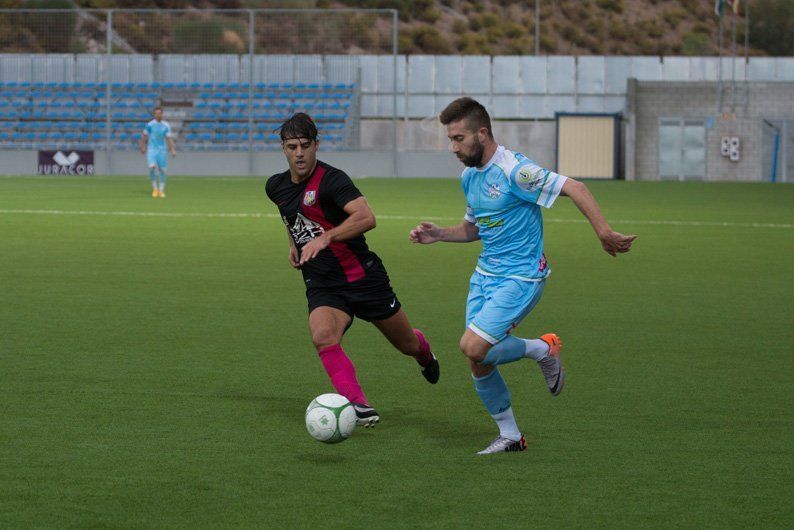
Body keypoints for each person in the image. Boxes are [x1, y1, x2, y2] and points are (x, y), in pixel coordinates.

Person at [409, 97, 636, 454]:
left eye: (459, 138)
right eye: (450, 139)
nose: (453, 147)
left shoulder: (516, 171)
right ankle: (511, 436)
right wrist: (439, 234)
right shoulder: (470, 176)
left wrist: (604, 232)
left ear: (482, 134)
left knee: (471, 345)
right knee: (477, 358)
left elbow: (575, 187)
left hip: (522, 277)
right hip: (485, 275)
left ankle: (542, 349)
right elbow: (474, 230)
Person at [265, 113, 439, 427]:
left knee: (406, 344)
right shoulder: (275, 186)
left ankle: (424, 352)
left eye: (306, 145)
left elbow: (367, 217)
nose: (300, 153)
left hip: (363, 278)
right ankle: (359, 406)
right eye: (292, 146)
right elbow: (289, 215)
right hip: (323, 283)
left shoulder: (333, 180)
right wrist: (294, 243)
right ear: (283, 148)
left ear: (317, 145)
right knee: (322, 336)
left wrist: (326, 237)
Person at [140, 107, 176, 198]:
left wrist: (172, 150)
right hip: (152, 149)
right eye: (156, 113)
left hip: (162, 150)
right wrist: (143, 147)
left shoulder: (166, 125)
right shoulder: (150, 125)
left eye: (160, 113)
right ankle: (155, 189)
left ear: (162, 114)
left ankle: (161, 191)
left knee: (162, 170)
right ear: (154, 115)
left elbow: (168, 139)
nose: (158, 115)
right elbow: (144, 136)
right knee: (152, 167)